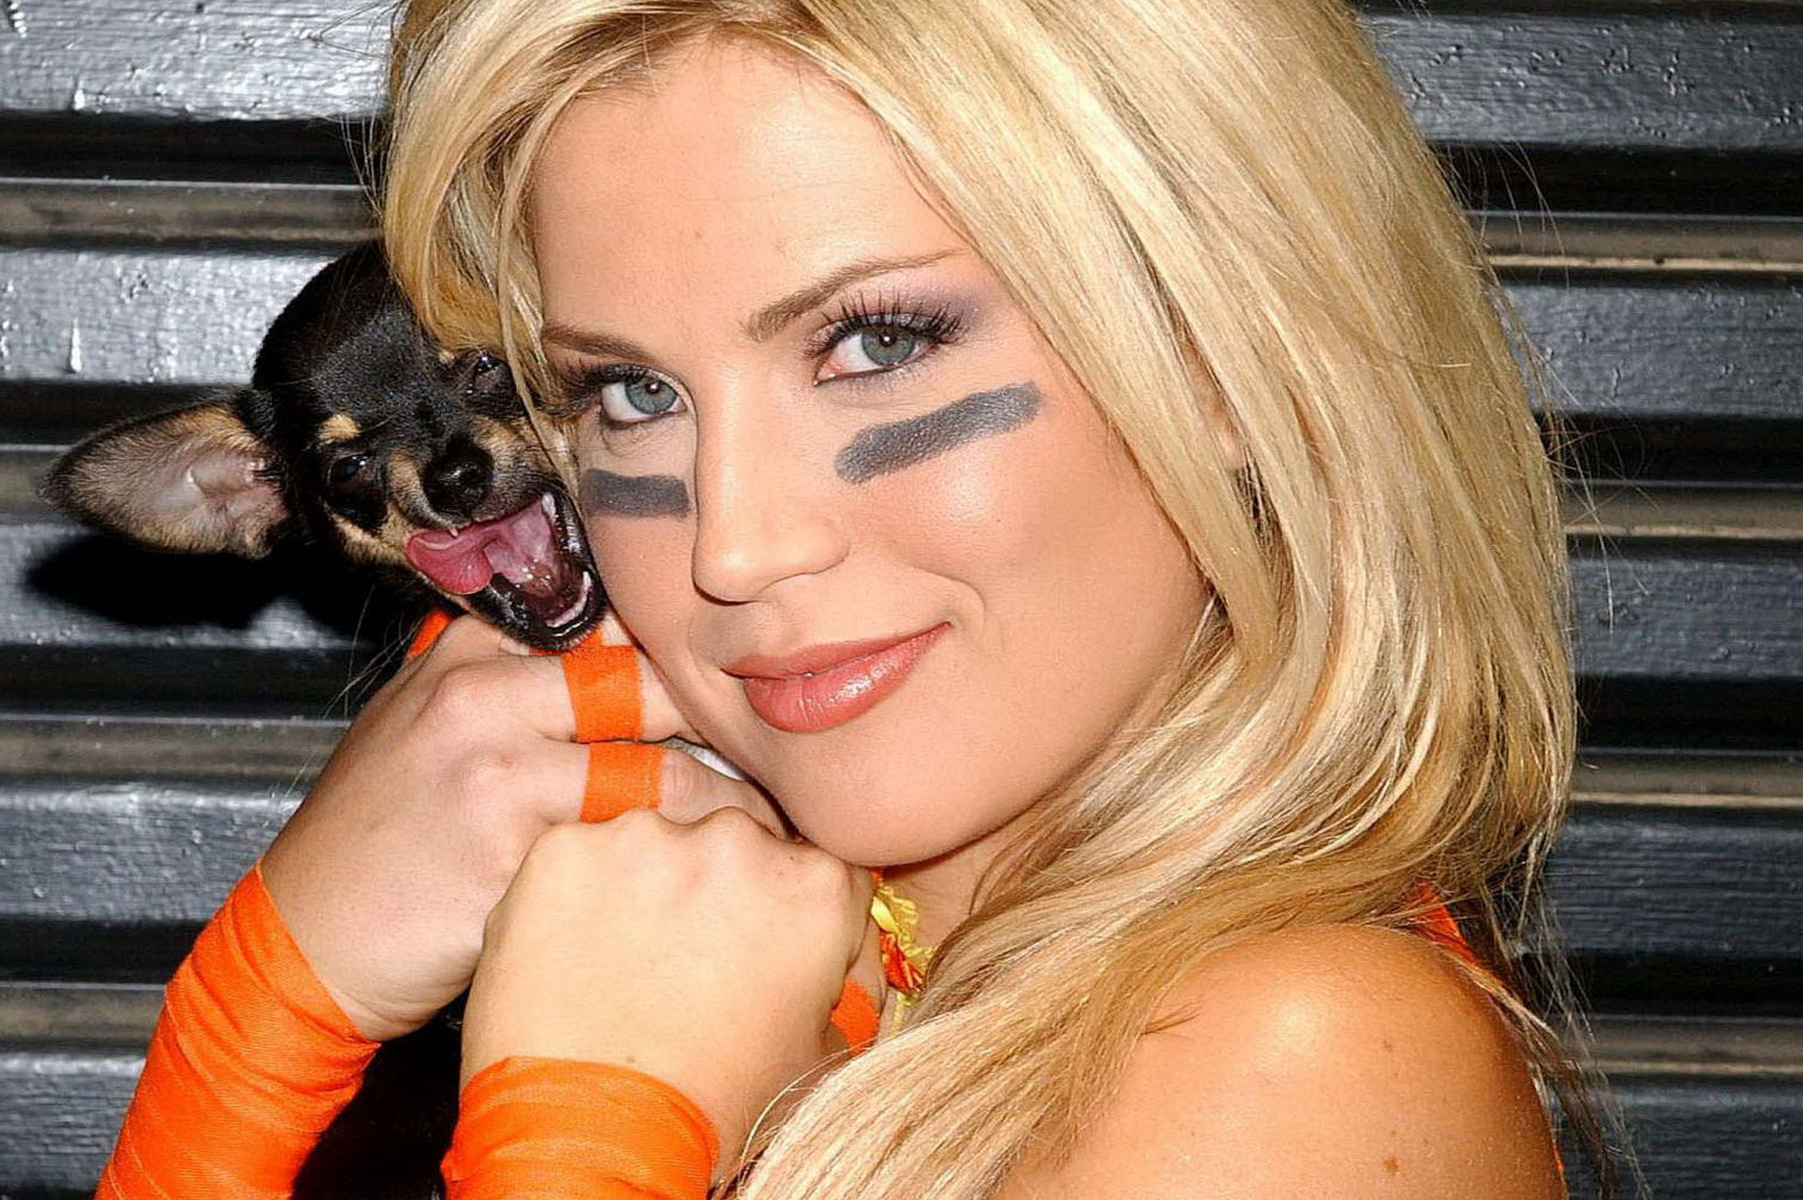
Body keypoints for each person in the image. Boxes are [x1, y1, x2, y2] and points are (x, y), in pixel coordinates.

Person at [100, 0, 1622, 1196]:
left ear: (1230, 357)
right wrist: (258, 1021)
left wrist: (581, 1142)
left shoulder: (1295, 1064)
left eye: (876, 344)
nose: (737, 546)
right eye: (629, 393)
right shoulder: (859, 979)